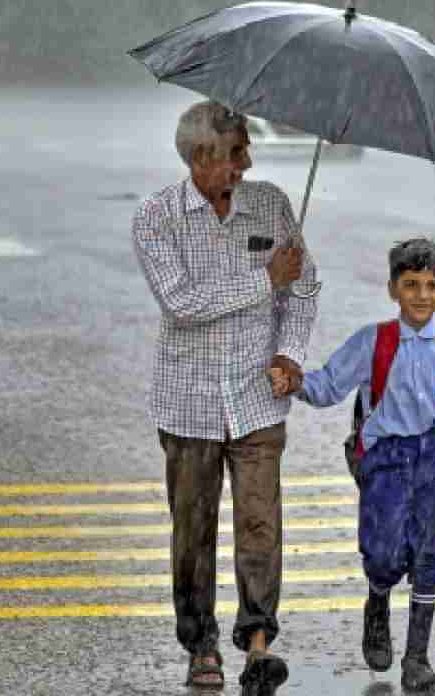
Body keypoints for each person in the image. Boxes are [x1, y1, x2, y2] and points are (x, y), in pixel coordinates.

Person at [269, 237, 435, 692]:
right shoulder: (373, 341)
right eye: (411, 284)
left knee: (427, 555)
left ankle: (417, 657)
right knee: (382, 554)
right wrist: (295, 382)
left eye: (432, 285)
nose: (422, 294)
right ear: (392, 289)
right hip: (384, 461)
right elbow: (329, 384)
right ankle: (377, 598)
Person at [131, 100, 317, 694]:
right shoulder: (156, 217)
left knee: (261, 523)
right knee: (193, 529)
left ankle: (258, 643)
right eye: (237, 151)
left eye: (245, 149)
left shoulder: (272, 204)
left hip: (258, 399)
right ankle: (201, 643)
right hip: (188, 405)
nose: (248, 161)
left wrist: (290, 353)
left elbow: (304, 291)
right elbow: (183, 304)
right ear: (201, 156)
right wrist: (264, 279)